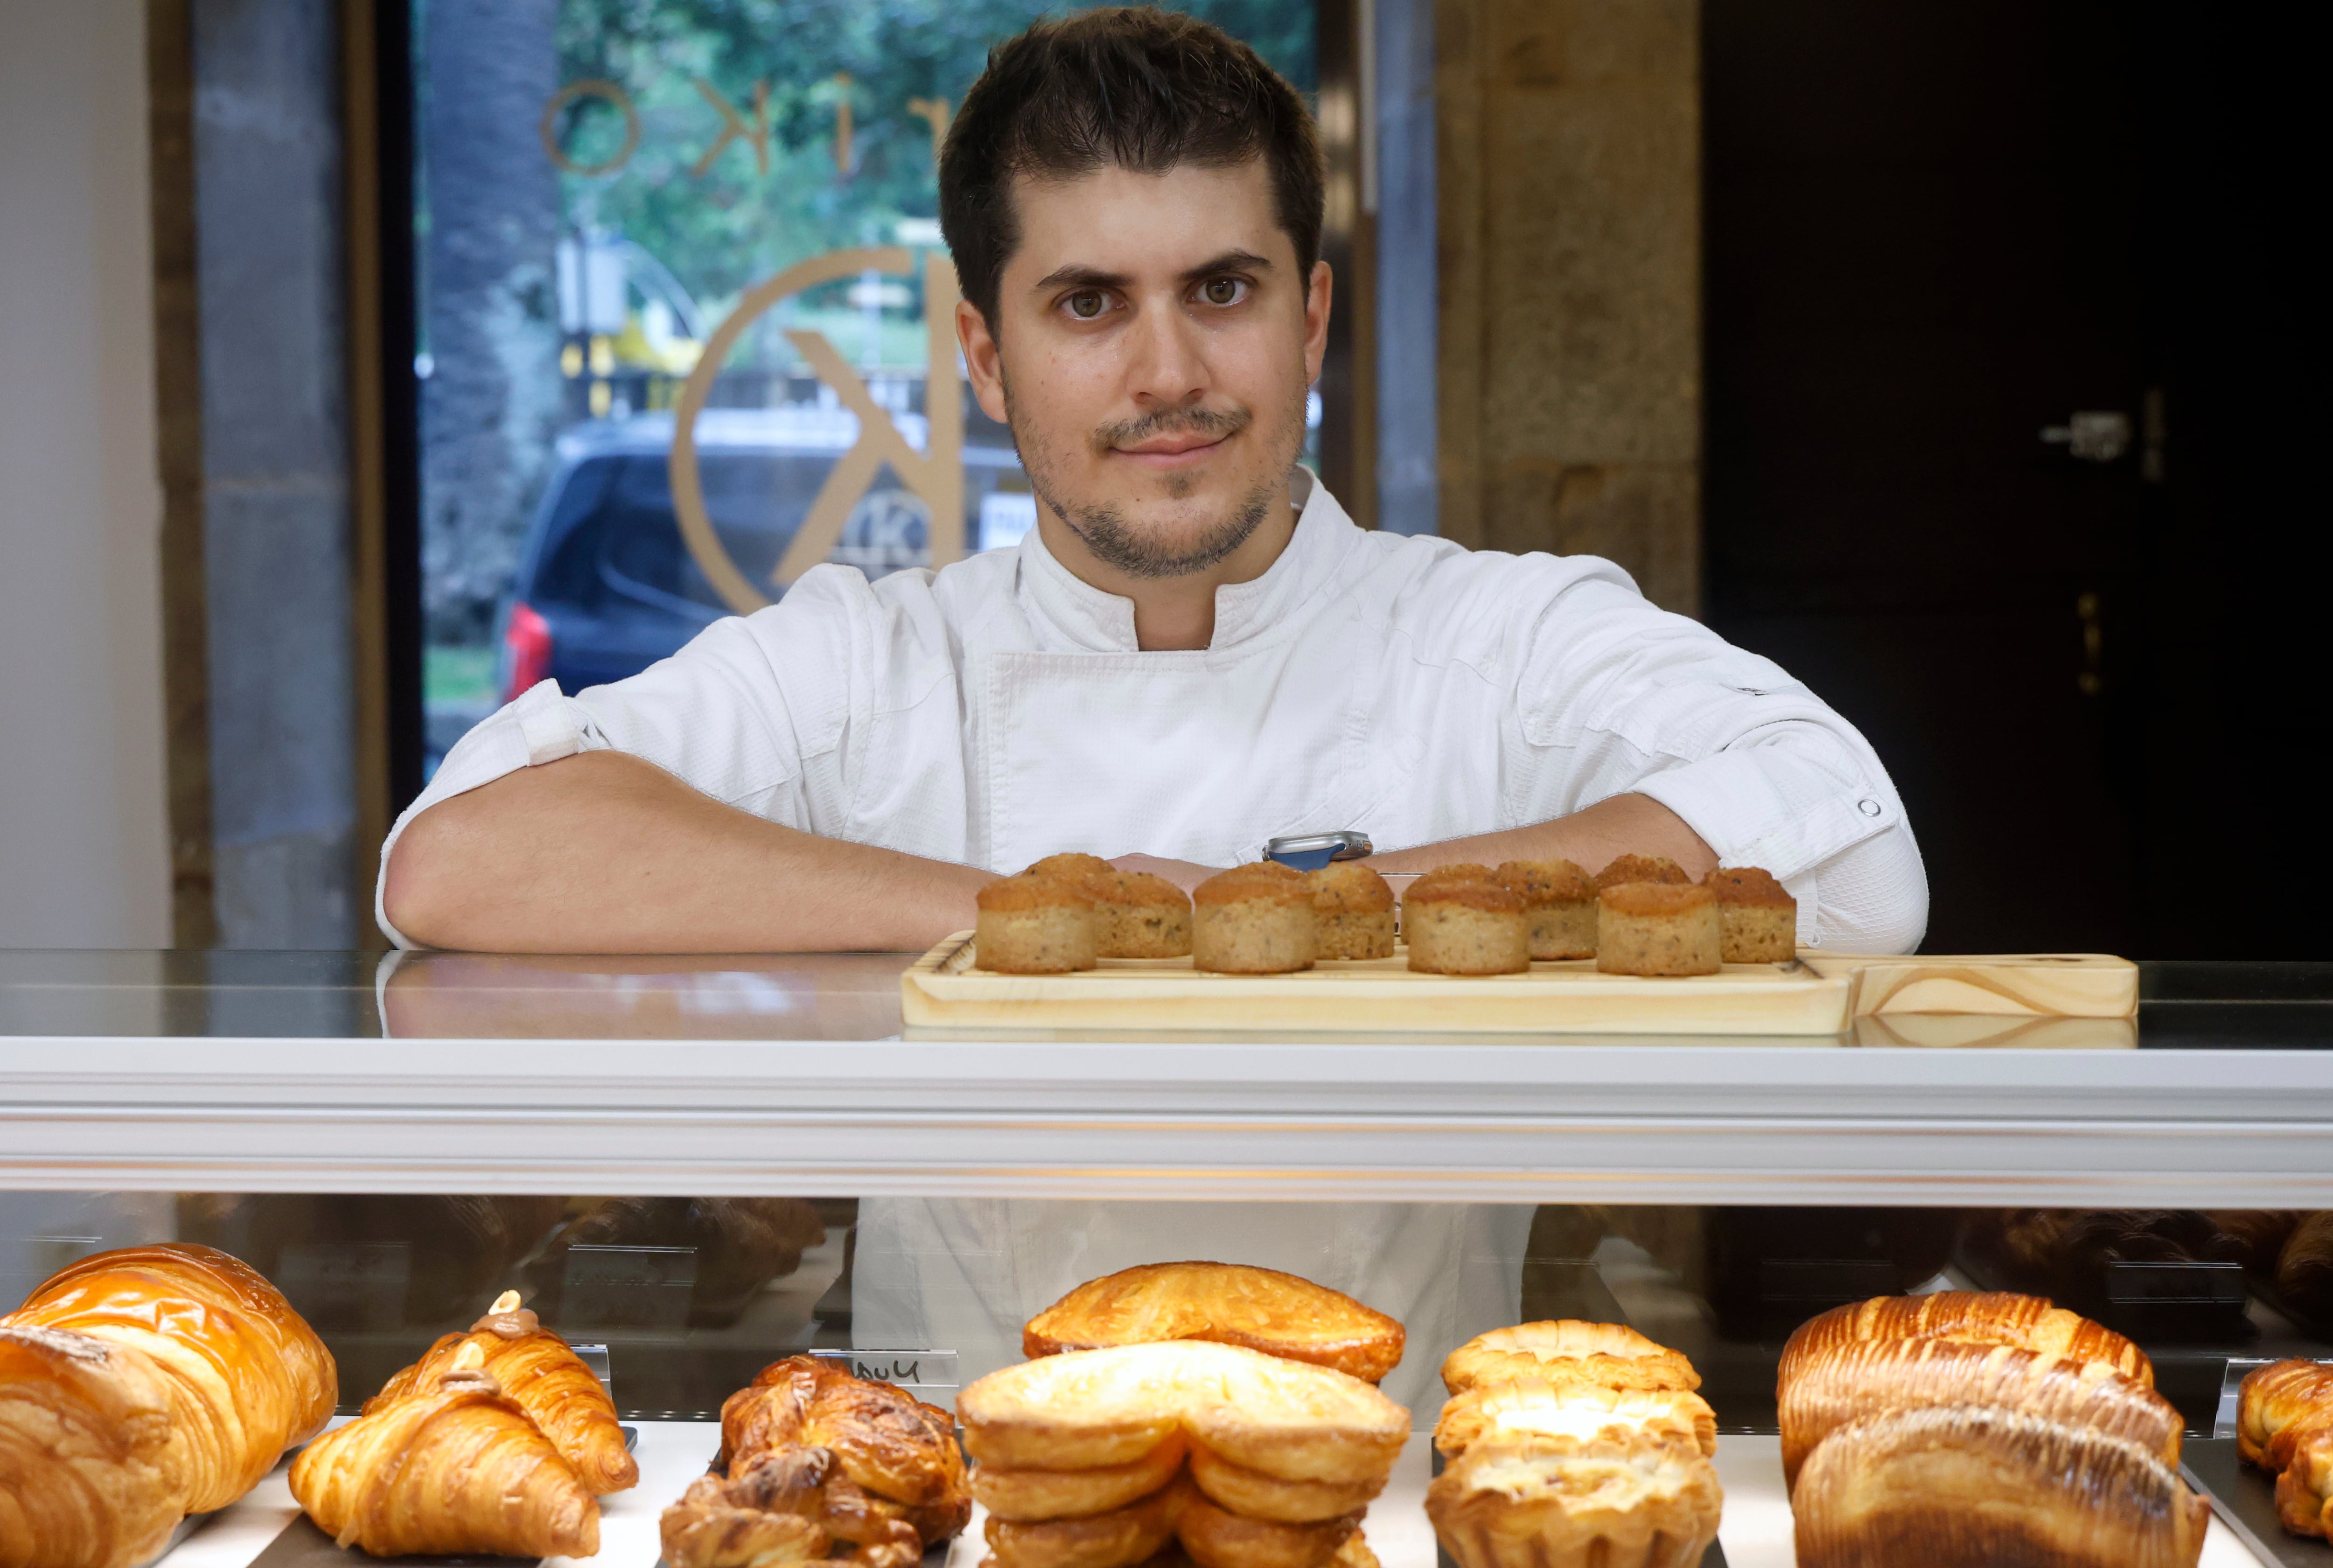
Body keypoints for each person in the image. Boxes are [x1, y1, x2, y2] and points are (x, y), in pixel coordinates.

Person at [378, 8, 1926, 1407]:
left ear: (1311, 319)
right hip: (980, 1499)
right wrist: (1057, 915)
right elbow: (458, 859)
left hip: (1391, 1502)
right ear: (985, 353)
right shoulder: (872, 662)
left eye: (1223, 288)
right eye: (1087, 303)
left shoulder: (1489, 629)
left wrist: (1305, 915)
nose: (1168, 370)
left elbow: (1852, 844)